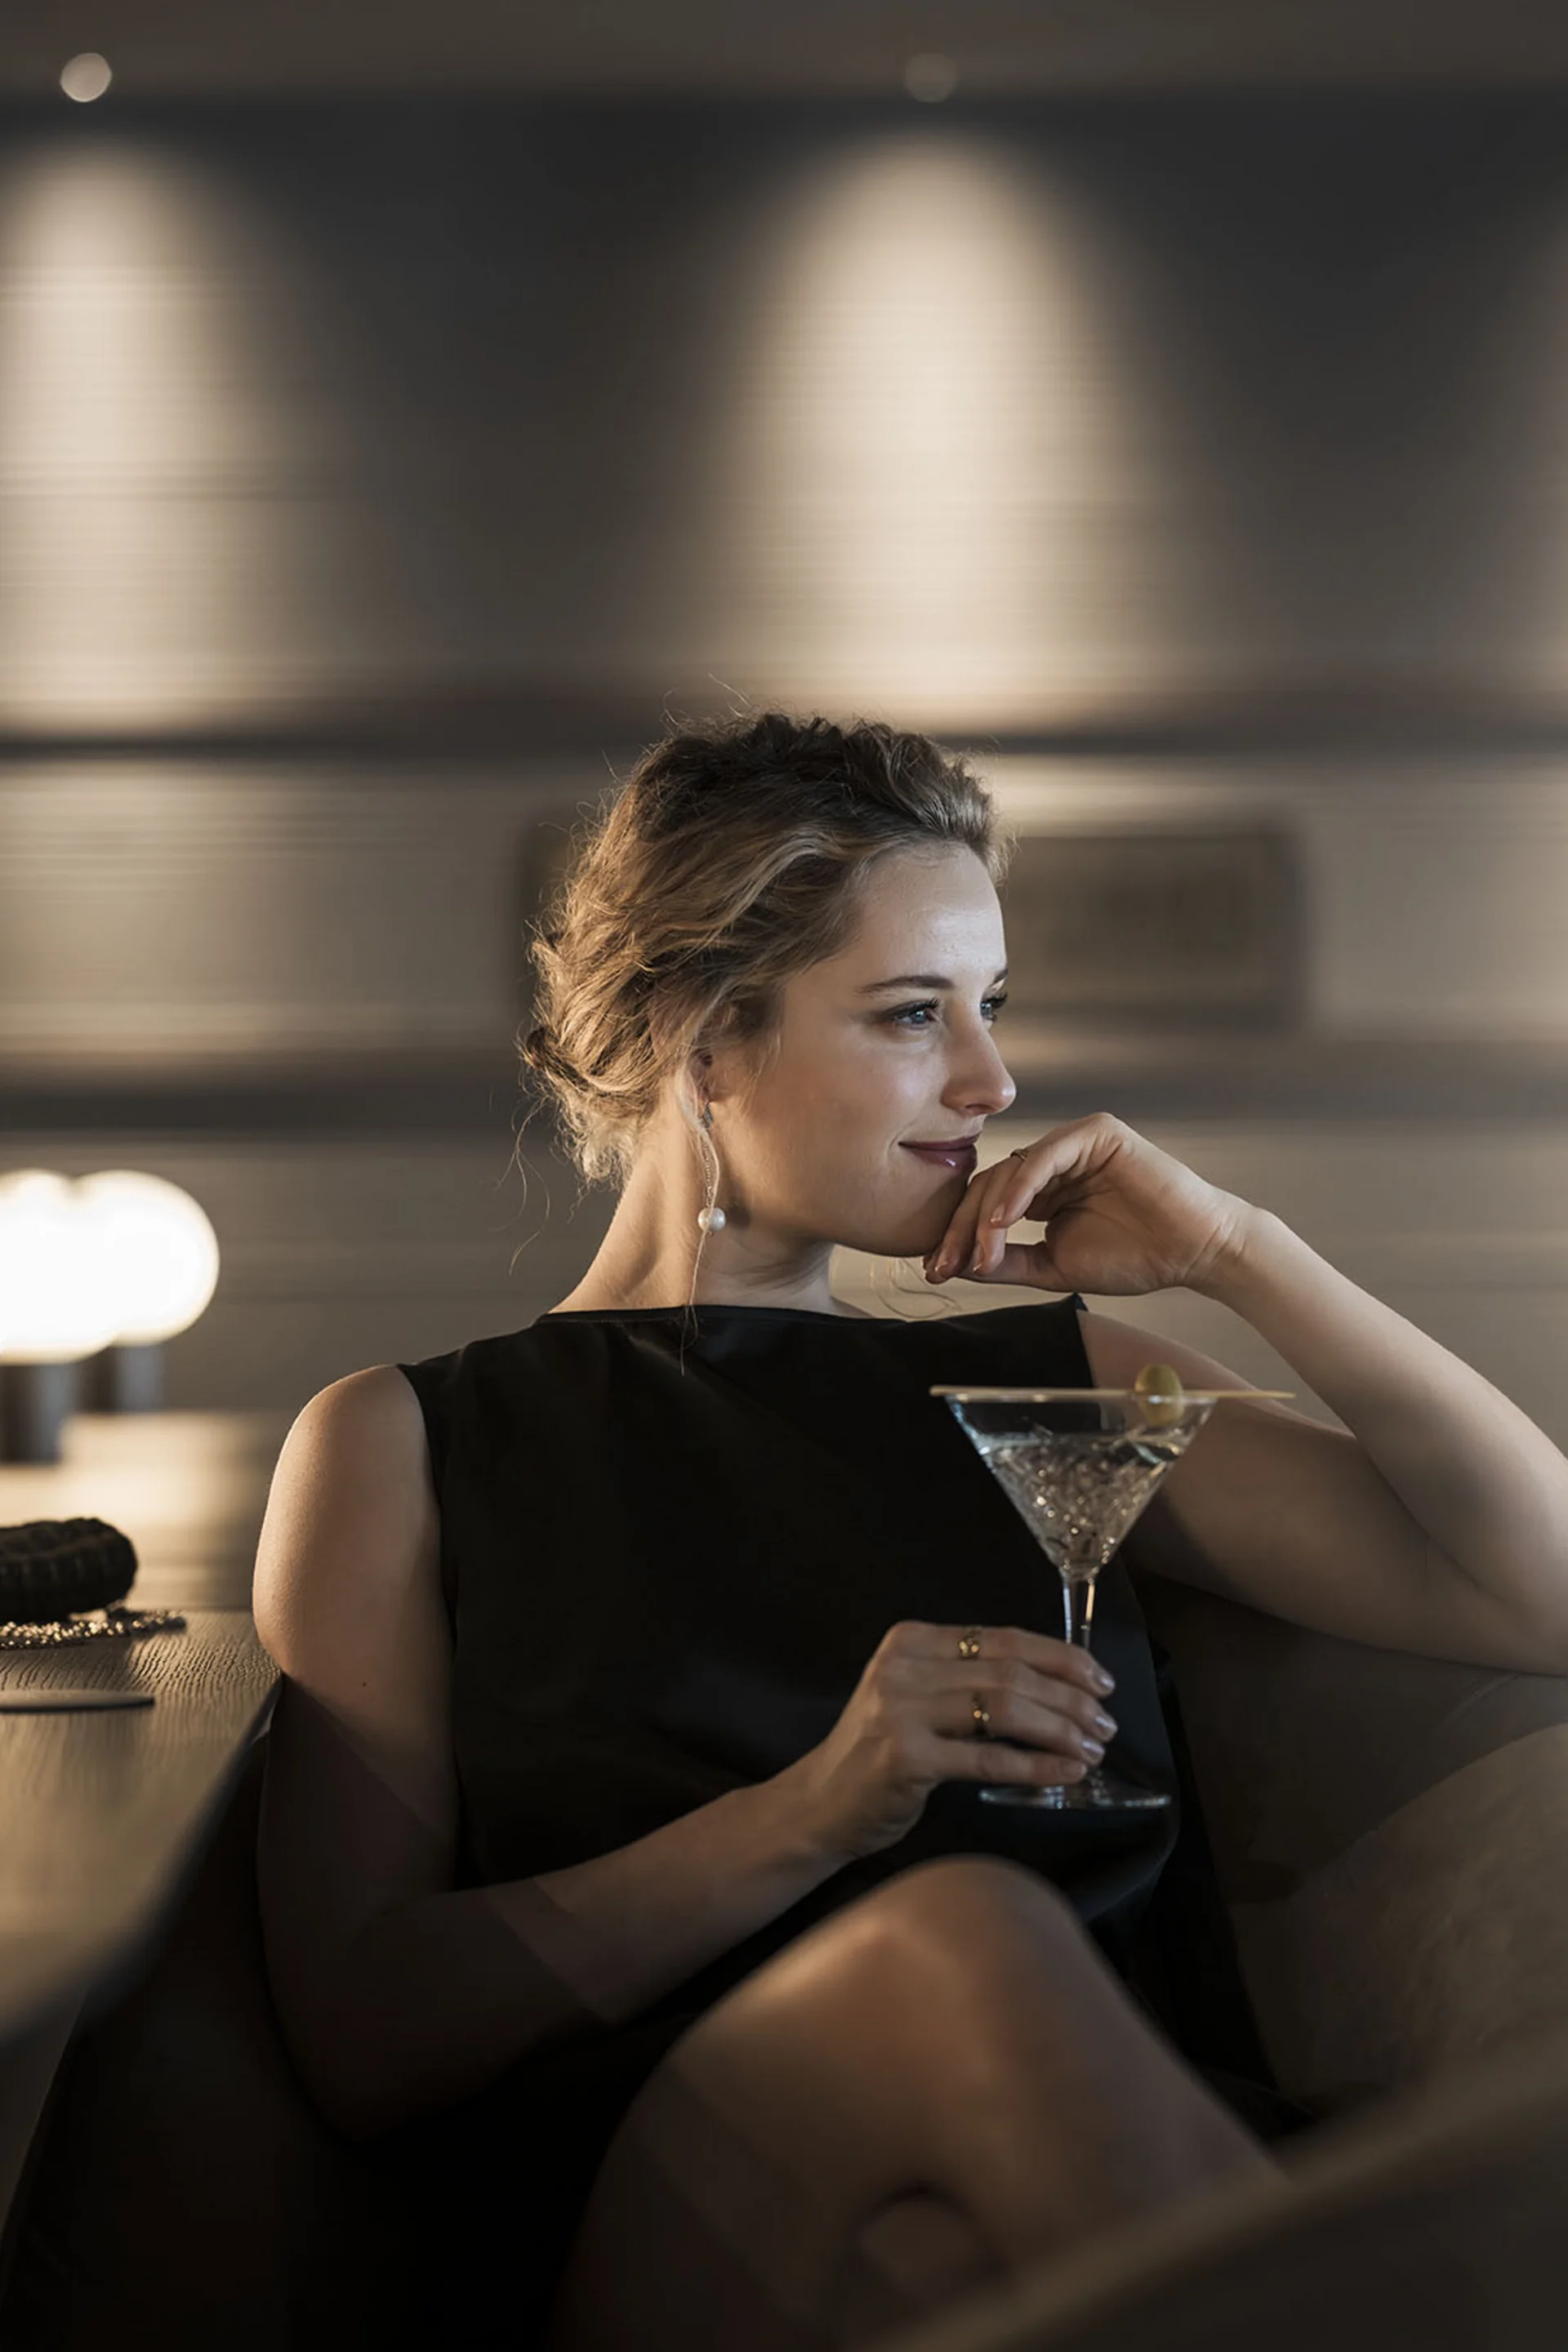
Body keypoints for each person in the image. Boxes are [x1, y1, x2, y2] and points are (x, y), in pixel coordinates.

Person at [252, 711, 1568, 2352]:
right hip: (656, 2217)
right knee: (960, 1935)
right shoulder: (404, 1445)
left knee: (942, 2285)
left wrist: (1237, 1248)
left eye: (991, 1008)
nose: (993, 1083)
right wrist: (816, 1812)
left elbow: (1541, 1593)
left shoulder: (1056, 1377)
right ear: (702, 1042)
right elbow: (363, 2031)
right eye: (909, 1015)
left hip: (1070, 2208)